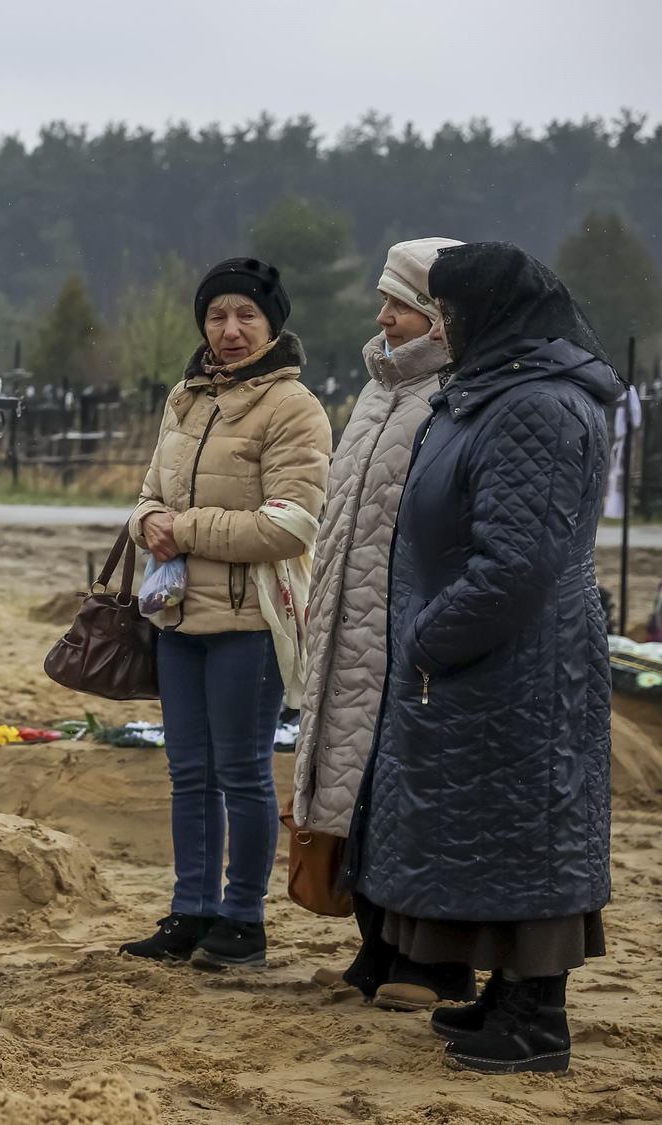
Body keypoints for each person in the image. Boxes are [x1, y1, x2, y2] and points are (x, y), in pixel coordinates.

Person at [348, 242, 617, 1075]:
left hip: (517, 668)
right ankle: (508, 993)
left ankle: (539, 1018)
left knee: (529, 830)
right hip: (481, 667)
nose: (445, 328)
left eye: (455, 314)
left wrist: (428, 637)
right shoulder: (491, 393)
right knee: (491, 835)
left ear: (492, 315)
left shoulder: (536, 405)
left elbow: (517, 566)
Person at [120, 257, 331, 970]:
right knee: (188, 772)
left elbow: (292, 524)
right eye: (217, 315)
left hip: (249, 623)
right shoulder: (184, 398)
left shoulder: (294, 409)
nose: (231, 330)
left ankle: (243, 919)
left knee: (242, 772)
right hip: (177, 617)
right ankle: (191, 909)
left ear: (273, 325)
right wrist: (146, 519)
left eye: (246, 315)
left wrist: (184, 528)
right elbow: (149, 493)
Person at [291, 238, 471, 1011]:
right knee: (353, 791)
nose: (381, 315)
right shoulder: (378, 389)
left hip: (406, 627)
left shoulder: (455, 393)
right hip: (349, 622)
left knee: (412, 795)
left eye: (398, 303)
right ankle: (376, 944)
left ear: (439, 319)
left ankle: (435, 962)